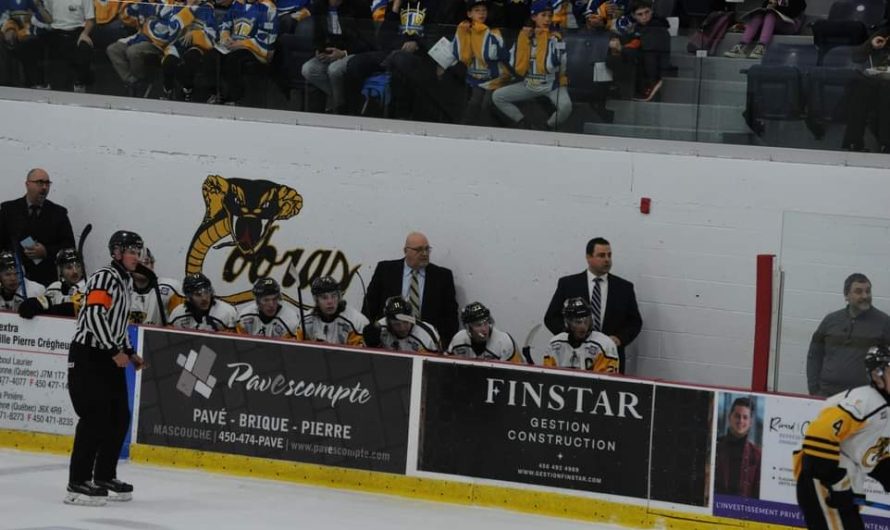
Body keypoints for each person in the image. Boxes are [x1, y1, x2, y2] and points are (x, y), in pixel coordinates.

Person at [64, 230, 146, 506]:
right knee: (94, 417)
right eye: (132, 251)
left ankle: (104, 475)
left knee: (119, 416)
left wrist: (130, 352)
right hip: (89, 355)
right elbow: (93, 315)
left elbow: (117, 322)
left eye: (138, 252)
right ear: (117, 252)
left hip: (109, 355)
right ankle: (77, 481)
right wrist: (114, 350)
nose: (137, 256)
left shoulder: (126, 281)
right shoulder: (104, 277)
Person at [794, 345, 890, 530]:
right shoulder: (866, 401)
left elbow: (870, 455)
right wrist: (836, 483)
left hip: (838, 487)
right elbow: (819, 434)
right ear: (877, 375)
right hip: (821, 483)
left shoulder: (885, 408)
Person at [544, 237, 642, 373]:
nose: (607, 260)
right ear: (588, 257)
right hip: (572, 358)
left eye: (609, 255)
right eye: (601, 255)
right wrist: (570, 335)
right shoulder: (568, 284)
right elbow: (551, 317)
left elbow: (635, 322)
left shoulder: (624, 288)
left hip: (610, 358)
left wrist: (620, 338)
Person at [362, 231, 459, 345]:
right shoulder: (385, 270)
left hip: (426, 344)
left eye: (427, 249)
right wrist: (369, 337)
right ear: (405, 251)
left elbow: (451, 317)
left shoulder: (442, 277)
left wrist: (441, 345)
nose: (424, 254)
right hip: (387, 341)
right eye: (419, 250)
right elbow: (369, 307)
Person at [491, 0, 571, 130]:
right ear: (534, 17)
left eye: (550, 16)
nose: (547, 19)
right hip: (529, 83)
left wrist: (561, 79)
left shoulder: (556, 37)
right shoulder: (524, 36)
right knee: (497, 96)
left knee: (566, 106)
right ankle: (523, 123)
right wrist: (525, 40)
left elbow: (560, 63)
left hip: (551, 85)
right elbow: (514, 62)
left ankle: (546, 127)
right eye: (543, 15)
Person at [807, 273, 890, 397]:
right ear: (846, 295)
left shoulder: (884, 323)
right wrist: (814, 389)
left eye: (868, 291)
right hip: (827, 394)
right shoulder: (830, 320)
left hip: (865, 398)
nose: (865, 296)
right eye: (858, 291)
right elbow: (814, 355)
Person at [0, 168, 76, 287]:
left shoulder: (58, 213)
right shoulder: (8, 210)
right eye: (40, 182)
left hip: (46, 280)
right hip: (13, 280)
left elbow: (69, 246)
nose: (44, 187)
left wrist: (46, 251)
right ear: (27, 184)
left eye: (47, 183)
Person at [298, 0, 372, 113]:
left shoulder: (359, 7)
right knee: (308, 69)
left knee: (334, 69)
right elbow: (317, 34)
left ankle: (340, 109)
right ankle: (347, 102)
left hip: (354, 52)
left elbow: (367, 41)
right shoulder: (319, 6)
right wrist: (319, 50)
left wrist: (344, 53)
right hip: (331, 51)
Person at [448, 0, 510, 125]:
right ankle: (465, 128)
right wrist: (464, 34)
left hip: (495, 78)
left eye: (484, 10)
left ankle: (488, 131)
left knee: (486, 104)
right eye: (477, 10)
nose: (481, 13)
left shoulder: (494, 32)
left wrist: (482, 34)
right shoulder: (463, 30)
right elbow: (461, 56)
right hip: (475, 77)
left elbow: (495, 54)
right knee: (474, 103)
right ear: (469, 14)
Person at [212, 0, 278, 105]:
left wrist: (242, 43)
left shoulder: (268, 7)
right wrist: (225, 36)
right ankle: (216, 95)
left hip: (256, 50)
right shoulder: (237, 3)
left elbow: (266, 36)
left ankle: (233, 99)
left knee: (234, 58)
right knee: (212, 54)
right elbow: (225, 22)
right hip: (234, 45)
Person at [608, 0, 671, 102]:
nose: (644, 17)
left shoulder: (657, 28)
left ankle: (648, 85)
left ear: (652, 11)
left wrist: (621, 48)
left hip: (653, 73)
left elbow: (643, 54)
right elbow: (635, 44)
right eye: (640, 14)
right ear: (634, 15)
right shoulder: (640, 28)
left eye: (647, 12)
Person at [841, 29, 890, 152]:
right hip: (879, 82)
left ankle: (886, 144)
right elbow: (857, 56)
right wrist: (871, 45)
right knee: (860, 86)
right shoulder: (885, 32)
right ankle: (853, 142)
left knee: (886, 90)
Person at [159, 0, 218, 101]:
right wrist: (188, 8)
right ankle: (168, 91)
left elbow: (212, 33)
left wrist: (194, 33)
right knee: (169, 61)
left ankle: (187, 90)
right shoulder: (178, 6)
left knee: (191, 58)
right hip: (178, 44)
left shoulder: (206, 9)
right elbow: (172, 29)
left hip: (197, 45)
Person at [544, 297, 619, 372]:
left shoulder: (605, 345)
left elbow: (605, 378)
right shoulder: (554, 345)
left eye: (586, 321)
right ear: (568, 323)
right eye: (577, 322)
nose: (583, 326)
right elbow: (548, 376)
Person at [295, 275, 368, 346]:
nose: (330, 301)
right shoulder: (306, 320)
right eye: (324, 297)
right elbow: (296, 348)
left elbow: (359, 352)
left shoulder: (354, 321)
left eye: (334, 296)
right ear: (316, 300)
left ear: (339, 297)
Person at [41, 0, 95, 91]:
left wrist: (85, 33)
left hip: (78, 32)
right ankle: (43, 84)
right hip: (56, 32)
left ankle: (81, 83)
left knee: (85, 47)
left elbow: (91, 20)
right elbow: (49, 19)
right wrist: (39, 6)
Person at [723, 0, 806, 60]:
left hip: (791, 24)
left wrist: (779, 5)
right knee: (759, 14)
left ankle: (761, 47)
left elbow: (796, 10)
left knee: (771, 14)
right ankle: (741, 46)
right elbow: (764, 7)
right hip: (773, 23)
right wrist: (769, 5)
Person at [18, 247, 85, 318]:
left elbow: (77, 308)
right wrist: (34, 303)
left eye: (78, 266)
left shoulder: (88, 286)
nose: (75, 271)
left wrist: (51, 310)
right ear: (61, 270)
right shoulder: (56, 286)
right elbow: (46, 301)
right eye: (69, 267)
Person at [714, 397, 761, 498]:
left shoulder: (757, 454)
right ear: (729, 417)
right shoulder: (716, 446)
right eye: (737, 416)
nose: (740, 420)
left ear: (750, 422)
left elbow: (757, 493)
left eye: (745, 417)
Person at [447, 301, 521, 362]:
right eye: (478, 325)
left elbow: (517, 371)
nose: (484, 329)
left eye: (486, 323)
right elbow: (447, 368)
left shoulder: (504, 343)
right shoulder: (458, 340)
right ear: (468, 327)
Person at [363, 295, 440, 352]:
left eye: (406, 322)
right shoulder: (379, 329)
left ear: (412, 317)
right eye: (396, 324)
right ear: (388, 322)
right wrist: (371, 344)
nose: (402, 328)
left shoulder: (427, 334)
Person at [128, 248, 183, 325]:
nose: (142, 267)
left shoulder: (171, 288)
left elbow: (180, 323)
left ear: (152, 265)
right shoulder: (120, 289)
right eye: (137, 263)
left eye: (145, 262)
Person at [168, 272, 238, 331]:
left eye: (207, 292)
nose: (204, 298)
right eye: (198, 294)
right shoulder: (177, 314)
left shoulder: (227, 313)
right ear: (188, 297)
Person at [235, 277, 302, 338]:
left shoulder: (290, 320)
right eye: (266, 300)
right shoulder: (245, 317)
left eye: (274, 299)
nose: (271, 305)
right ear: (258, 302)